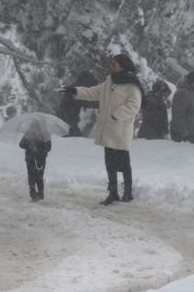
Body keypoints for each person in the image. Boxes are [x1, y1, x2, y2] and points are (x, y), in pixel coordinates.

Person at [60, 53, 143, 205]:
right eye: (111, 64)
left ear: (122, 66)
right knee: (109, 163)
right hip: (107, 129)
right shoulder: (110, 81)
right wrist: (74, 91)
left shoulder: (131, 85)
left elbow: (134, 106)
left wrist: (116, 115)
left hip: (120, 130)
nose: (111, 67)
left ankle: (128, 192)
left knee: (123, 163)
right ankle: (113, 193)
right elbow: (93, 92)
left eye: (114, 64)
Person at [55, 70, 98, 137]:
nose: (90, 87)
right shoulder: (76, 91)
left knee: (76, 139)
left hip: (67, 119)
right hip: (65, 119)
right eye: (90, 84)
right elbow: (88, 102)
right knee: (76, 139)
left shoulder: (76, 88)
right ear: (86, 81)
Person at [19, 121, 52, 201]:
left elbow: (48, 148)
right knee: (31, 175)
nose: (37, 127)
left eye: (39, 125)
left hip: (41, 159)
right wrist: (29, 145)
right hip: (30, 158)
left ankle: (40, 193)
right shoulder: (28, 134)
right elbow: (21, 144)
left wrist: (37, 147)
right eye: (36, 125)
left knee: (39, 176)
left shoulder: (46, 134)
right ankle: (33, 192)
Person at [170, 71, 194, 143]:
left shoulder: (191, 93)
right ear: (191, 81)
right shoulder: (182, 93)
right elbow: (178, 115)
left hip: (191, 134)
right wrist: (185, 134)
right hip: (182, 136)